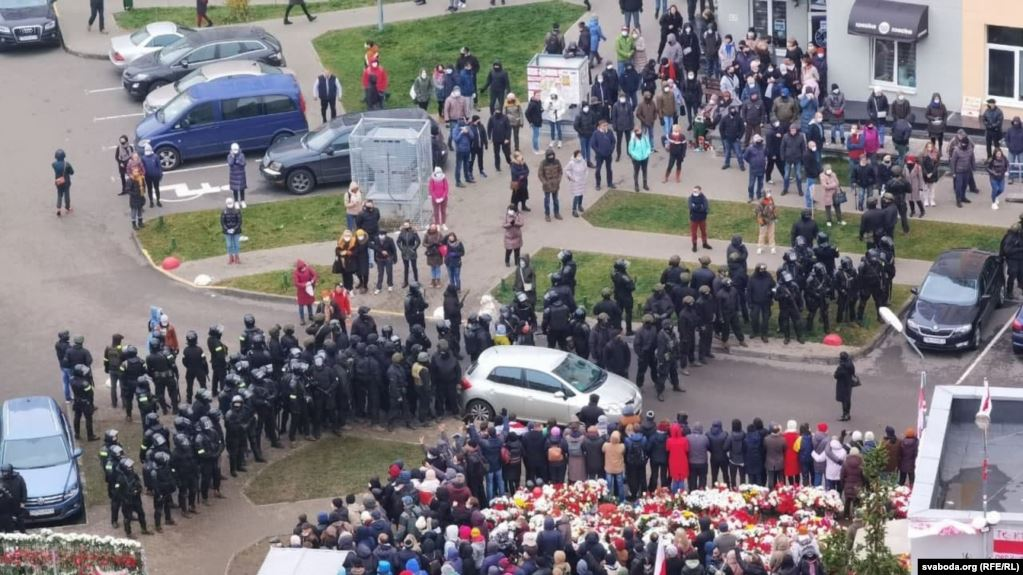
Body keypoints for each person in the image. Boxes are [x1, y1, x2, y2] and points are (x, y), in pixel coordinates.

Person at [538, 149, 564, 222]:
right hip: (547, 185)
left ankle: (556, 213)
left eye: (552, 155)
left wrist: (558, 180)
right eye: (549, 156)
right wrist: (545, 182)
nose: (551, 157)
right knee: (547, 200)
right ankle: (547, 214)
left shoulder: (557, 161)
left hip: (556, 184)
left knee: (555, 200)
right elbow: (540, 174)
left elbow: (560, 171)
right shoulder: (543, 163)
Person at [950, 135, 975, 208]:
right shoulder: (956, 150)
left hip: (967, 170)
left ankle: (963, 197)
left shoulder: (970, 150)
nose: (963, 145)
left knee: (964, 185)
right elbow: (953, 162)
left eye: (965, 144)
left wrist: (973, 167)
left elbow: (972, 159)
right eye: (962, 143)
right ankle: (958, 200)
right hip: (958, 171)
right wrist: (953, 172)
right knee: (958, 186)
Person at [293, 259, 318, 325]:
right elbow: (296, 283)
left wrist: (313, 280)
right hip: (301, 291)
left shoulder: (308, 268)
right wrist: (304, 285)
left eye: (304, 267)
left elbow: (315, 275)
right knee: (301, 305)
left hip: (308, 289)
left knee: (309, 303)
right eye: (302, 268)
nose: (303, 269)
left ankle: (311, 315)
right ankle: (302, 319)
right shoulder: (296, 273)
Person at [52, 149, 74, 217]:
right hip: (66, 183)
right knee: (67, 195)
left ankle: (58, 209)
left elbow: (55, 167)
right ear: (64, 156)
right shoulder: (67, 164)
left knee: (59, 195)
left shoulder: (54, 164)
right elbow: (72, 172)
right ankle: (67, 208)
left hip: (58, 182)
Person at [627, 125, 651, 191]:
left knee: (645, 171)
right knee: (636, 172)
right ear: (635, 131)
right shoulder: (633, 139)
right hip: (636, 159)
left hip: (645, 157)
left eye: (639, 130)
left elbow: (648, 146)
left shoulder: (645, 137)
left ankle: (645, 184)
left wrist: (647, 153)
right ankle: (636, 185)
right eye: (637, 130)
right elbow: (630, 150)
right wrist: (635, 156)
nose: (639, 131)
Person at [743, 134, 766, 201]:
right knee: (751, 184)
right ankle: (751, 196)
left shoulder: (763, 148)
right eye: (757, 139)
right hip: (753, 169)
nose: (759, 141)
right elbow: (745, 157)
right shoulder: (750, 148)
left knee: (760, 184)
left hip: (761, 169)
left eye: (759, 139)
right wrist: (751, 162)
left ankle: (758, 195)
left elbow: (766, 154)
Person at [834, 351, 856, 421]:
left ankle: (845, 415)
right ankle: (848, 414)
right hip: (849, 384)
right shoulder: (850, 364)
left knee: (844, 401)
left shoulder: (841, 367)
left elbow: (836, 376)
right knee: (848, 399)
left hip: (842, 385)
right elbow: (853, 372)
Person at [565, 150, 588, 217]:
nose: (579, 156)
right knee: (577, 195)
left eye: (580, 155)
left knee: (581, 194)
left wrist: (585, 176)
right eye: (578, 155)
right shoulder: (571, 163)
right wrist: (572, 178)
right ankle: (574, 210)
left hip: (582, 180)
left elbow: (586, 169)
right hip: (575, 182)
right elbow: (567, 170)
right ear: (575, 155)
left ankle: (580, 205)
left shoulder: (583, 161)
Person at [688, 186, 710, 253]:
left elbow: (705, 207)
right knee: (694, 233)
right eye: (694, 191)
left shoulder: (704, 198)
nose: (695, 192)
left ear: (700, 191)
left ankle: (705, 243)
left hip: (702, 218)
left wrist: (696, 207)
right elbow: (691, 207)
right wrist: (700, 207)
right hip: (694, 219)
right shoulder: (690, 198)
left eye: (696, 191)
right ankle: (694, 245)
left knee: (704, 232)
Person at [221, 198, 242, 264]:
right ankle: (231, 257)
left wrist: (234, 229)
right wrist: (227, 229)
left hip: (236, 231)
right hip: (227, 231)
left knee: (236, 244)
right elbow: (222, 222)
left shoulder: (237, 211)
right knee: (229, 245)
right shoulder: (224, 211)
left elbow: (239, 221)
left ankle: (237, 257)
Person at [227, 143, 247, 207]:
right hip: (233, 175)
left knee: (242, 189)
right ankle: (236, 202)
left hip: (241, 174)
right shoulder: (229, 156)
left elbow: (244, 163)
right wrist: (233, 157)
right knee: (235, 189)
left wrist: (238, 161)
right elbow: (230, 163)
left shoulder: (242, 155)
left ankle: (242, 201)